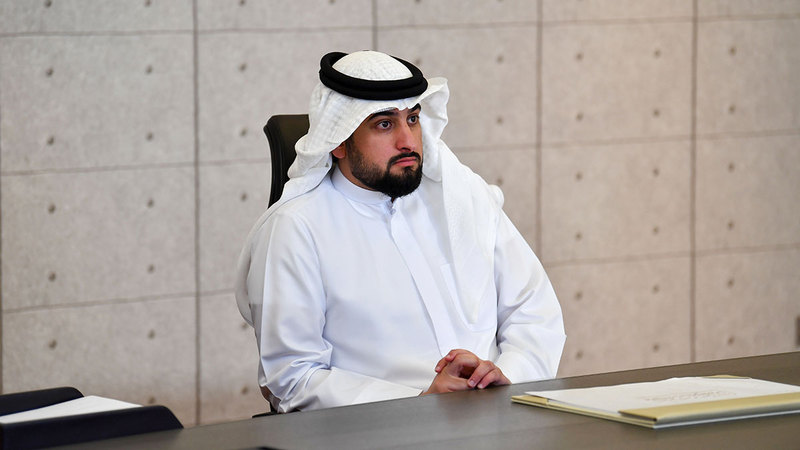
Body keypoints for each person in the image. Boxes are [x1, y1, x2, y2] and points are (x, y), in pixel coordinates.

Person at [235, 50, 566, 413]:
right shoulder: (296, 229)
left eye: (413, 119)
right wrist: (420, 404)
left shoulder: (463, 196)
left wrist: (507, 377)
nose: (408, 141)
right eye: (384, 124)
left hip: (500, 420)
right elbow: (291, 379)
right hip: (379, 431)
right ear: (338, 140)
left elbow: (534, 311)